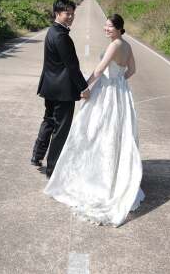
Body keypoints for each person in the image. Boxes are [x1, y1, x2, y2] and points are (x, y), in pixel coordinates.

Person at [44, 13, 144, 227]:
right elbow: (133, 70)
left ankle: (100, 177)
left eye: (110, 27)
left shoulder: (114, 45)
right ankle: (115, 172)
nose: (106, 29)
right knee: (117, 130)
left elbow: (99, 70)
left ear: (119, 28)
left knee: (97, 130)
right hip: (121, 91)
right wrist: (119, 80)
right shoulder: (127, 45)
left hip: (107, 91)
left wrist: (85, 87)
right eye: (105, 26)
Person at [31, 0, 90, 178]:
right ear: (57, 13)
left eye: (72, 13)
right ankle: (53, 169)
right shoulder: (61, 36)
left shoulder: (51, 31)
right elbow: (71, 66)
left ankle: (37, 155)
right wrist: (83, 87)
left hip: (49, 86)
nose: (70, 17)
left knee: (49, 121)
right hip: (63, 91)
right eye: (67, 13)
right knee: (60, 130)